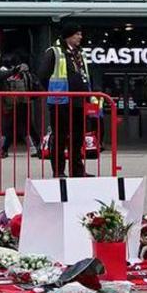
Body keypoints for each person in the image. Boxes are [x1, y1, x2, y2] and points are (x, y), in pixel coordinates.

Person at [40, 30, 97, 182]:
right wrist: (53, 92)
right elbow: (43, 75)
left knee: (77, 137)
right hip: (60, 101)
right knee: (59, 136)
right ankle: (58, 170)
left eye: (80, 33)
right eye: (77, 34)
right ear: (68, 35)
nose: (80, 36)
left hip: (78, 101)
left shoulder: (80, 53)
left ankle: (77, 170)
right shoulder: (54, 52)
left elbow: (85, 75)